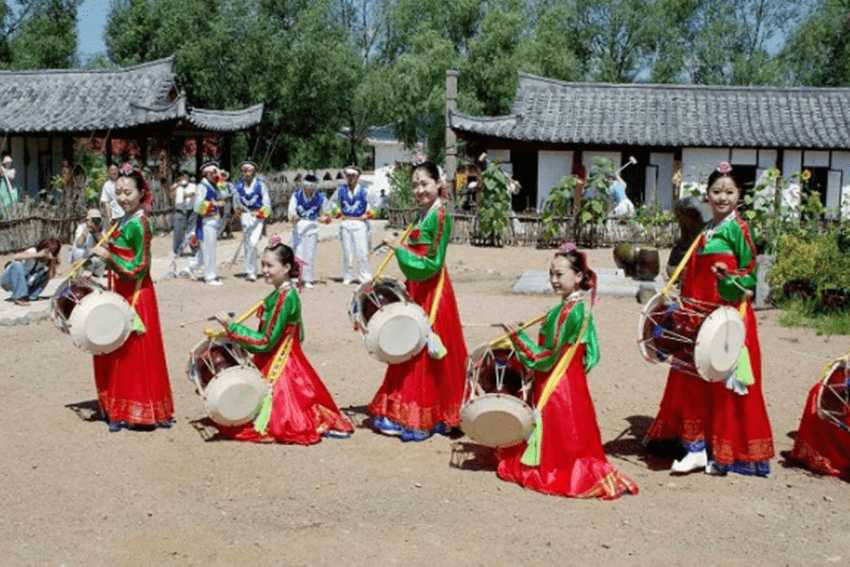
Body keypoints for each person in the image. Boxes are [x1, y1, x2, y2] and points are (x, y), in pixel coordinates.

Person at [644, 162, 774, 476]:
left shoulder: (738, 229)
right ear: (706, 195)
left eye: (729, 191)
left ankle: (722, 448)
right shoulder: (706, 230)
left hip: (725, 318)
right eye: (716, 191)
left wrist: (728, 278)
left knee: (723, 384)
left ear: (739, 196)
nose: (722, 197)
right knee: (691, 381)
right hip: (696, 315)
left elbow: (748, 276)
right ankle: (695, 447)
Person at [498, 245, 639, 499]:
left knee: (556, 450)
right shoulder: (578, 309)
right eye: (551, 273)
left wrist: (518, 339)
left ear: (578, 277)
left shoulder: (567, 312)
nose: (553, 280)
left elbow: (547, 357)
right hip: (573, 384)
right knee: (576, 436)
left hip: (556, 386)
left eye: (559, 275)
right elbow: (592, 354)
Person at [214, 238, 354, 444]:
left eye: (270, 265)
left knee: (277, 416)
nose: (265, 270)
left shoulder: (285, 297)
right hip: (286, 354)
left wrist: (233, 327)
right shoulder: (284, 293)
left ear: (287, 267)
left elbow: (265, 342)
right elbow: (300, 332)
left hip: (279, 358)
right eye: (263, 264)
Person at [368, 160, 468, 441]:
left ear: (439, 184)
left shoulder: (439, 216)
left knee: (420, 349)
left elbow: (432, 263)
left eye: (424, 183)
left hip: (432, 290)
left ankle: (423, 415)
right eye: (414, 184)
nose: (419, 189)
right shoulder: (423, 215)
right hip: (418, 288)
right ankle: (418, 411)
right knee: (409, 345)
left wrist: (398, 246)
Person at [90, 164, 173, 432]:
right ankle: (120, 407)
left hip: (137, 294)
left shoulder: (140, 224)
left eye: (128, 192)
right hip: (119, 292)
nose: (123, 198)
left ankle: (139, 411)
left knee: (134, 353)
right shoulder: (122, 220)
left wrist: (109, 258)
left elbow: (140, 267)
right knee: (117, 348)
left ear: (141, 193)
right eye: (118, 193)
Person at [327, 165, 374, 285]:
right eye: (348, 175)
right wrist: (338, 213)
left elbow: (378, 203)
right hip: (346, 222)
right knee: (347, 252)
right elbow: (331, 202)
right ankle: (348, 276)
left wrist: (368, 214)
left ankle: (364, 275)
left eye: (353, 175)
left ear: (357, 176)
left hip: (360, 222)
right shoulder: (341, 190)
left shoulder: (365, 190)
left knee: (362, 251)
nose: (351, 178)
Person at [186, 161, 226, 286]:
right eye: (214, 172)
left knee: (205, 251)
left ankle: (190, 267)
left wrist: (221, 181)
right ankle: (210, 277)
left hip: (213, 220)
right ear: (206, 173)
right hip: (206, 221)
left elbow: (225, 195)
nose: (216, 175)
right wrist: (215, 204)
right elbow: (198, 206)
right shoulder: (202, 186)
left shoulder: (213, 185)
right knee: (210, 249)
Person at [288, 172, 329, 288]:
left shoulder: (321, 197)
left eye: (311, 187)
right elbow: (291, 210)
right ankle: (296, 277)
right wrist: (293, 216)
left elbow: (326, 211)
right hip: (299, 227)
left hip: (312, 228)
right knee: (298, 253)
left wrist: (325, 217)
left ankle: (307, 279)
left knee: (309, 254)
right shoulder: (296, 195)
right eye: (307, 187)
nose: (309, 189)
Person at [232, 160, 271, 281]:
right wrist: (237, 211)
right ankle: (250, 271)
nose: (247, 173)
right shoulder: (238, 186)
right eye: (244, 171)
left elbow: (267, 203)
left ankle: (252, 270)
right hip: (245, 216)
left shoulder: (261, 185)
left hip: (257, 217)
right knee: (247, 243)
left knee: (253, 243)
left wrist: (261, 212)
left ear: (253, 172)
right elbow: (236, 202)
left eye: (249, 170)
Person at [1, 237, 61, 305]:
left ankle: (30, 296)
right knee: (17, 264)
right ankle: (19, 296)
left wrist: (52, 262)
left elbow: (51, 276)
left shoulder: (47, 260)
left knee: (45, 274)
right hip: (9, 279)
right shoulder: (33, 251)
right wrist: (37, 255)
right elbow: (16, 257)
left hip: (25, 282)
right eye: (48, 250)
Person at [67, 209, 106, 278]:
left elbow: (104, 244)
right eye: (93, 219)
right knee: (79, 252)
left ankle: (95, 277)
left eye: (97, 219)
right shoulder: (81, 227)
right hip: (80, 255)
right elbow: (79, 243)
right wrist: (87, 229)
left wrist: (96, 230)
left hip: (92, 256)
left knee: (103, 254)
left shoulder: (101, 228)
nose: (95, 221)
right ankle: (77, 274)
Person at [170, 169, 196, 256]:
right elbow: (172, 193)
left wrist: (184, 192)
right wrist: (178, 186)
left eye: (185, 176)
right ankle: (178, 250)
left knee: (192, 232)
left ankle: (194, 250)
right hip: (179, 210)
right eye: (182, 176)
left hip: (190, 210)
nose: (184, 178)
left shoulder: (193, 185)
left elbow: (192, 193)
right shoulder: (176, 186)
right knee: (178, 231)